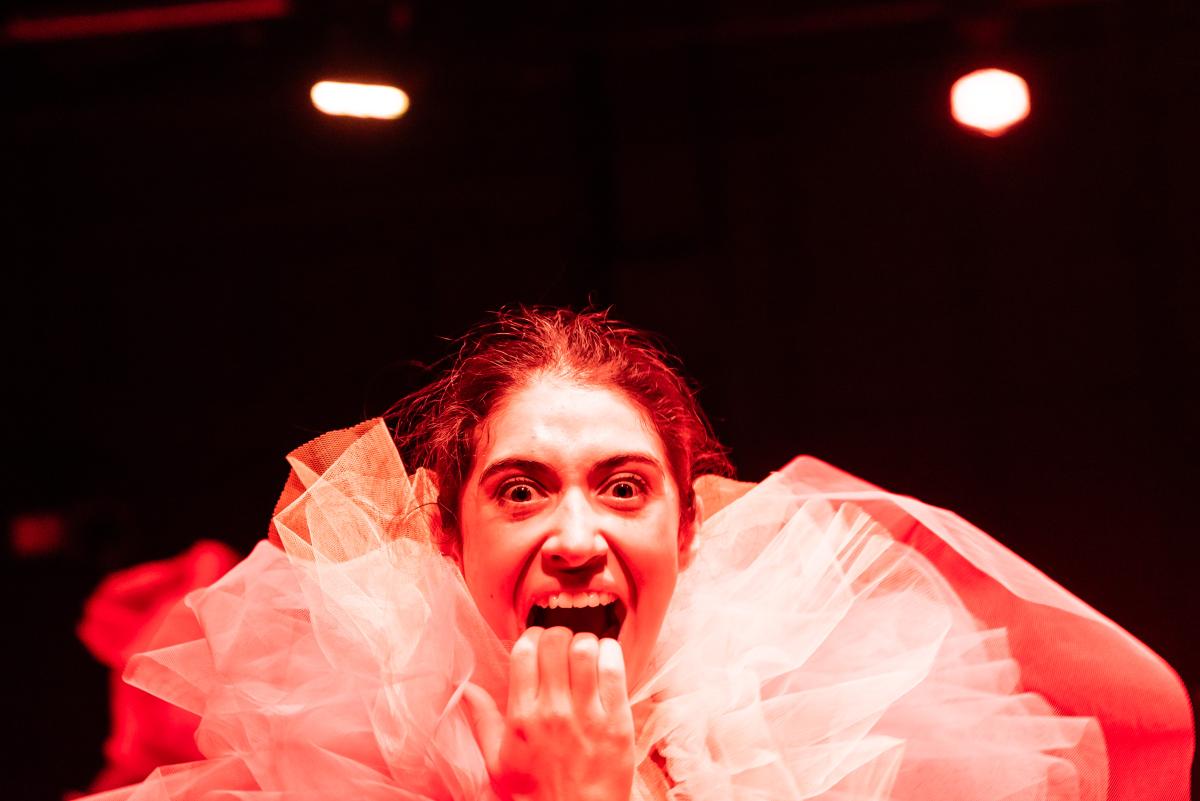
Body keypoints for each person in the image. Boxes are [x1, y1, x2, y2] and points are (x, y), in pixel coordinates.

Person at [84, 307, 1192, 801]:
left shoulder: (809, 763)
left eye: (623, 488)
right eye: (521, 491)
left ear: (688, 530)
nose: (577, 540)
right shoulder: (347, 779)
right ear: (446, 536)